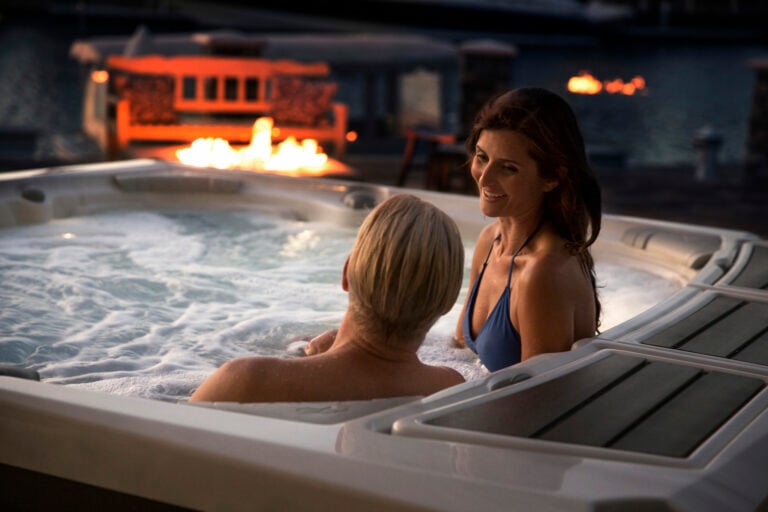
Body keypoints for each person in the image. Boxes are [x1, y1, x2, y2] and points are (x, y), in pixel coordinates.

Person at [190, 194, 465, 403]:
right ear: (448, 302)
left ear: (346, 273)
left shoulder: (246, 382)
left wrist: (312, 365)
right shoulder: (448, 391)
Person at [453, 86, 602, 372]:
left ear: (551, 178)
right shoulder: (490, 241)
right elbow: (460, 350)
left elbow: (535, 403)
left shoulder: (543, 274)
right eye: (482, 157)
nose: (484, 179)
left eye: (508, 168)